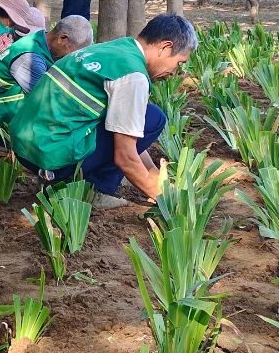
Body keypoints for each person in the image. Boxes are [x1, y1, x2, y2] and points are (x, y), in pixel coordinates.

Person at [10, 14, 198, 208]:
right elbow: (125, 157)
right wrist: (170, 203)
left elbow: (127, 132)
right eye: (179, 63)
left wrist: (153, 174)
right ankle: (93, 190)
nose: (174, 73)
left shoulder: (114, 49)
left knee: (142, 118)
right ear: (165, 47)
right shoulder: (133, 75)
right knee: (153, 118)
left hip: (26, 147)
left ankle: (65, 179)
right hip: (50, 156)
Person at [0, 15, 94, 141]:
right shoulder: (30, 59)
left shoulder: (40, 39)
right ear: (62, 38)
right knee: (45, 102)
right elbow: (47, 102)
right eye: (73, 53)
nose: (72, 58)